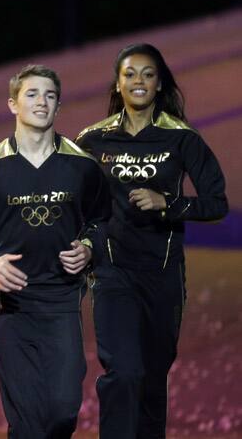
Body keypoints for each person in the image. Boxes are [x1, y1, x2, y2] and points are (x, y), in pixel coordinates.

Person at [0, 65, 109, 438]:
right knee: (28, 424)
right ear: (13, 104)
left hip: (62, 304)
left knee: (63, 414)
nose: (41, 102)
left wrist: (89, 247)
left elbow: (103, 221)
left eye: (49, 95)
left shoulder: (82, 166)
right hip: (11, 311)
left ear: (59, 106)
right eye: (31, 94)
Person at [76, 43, 228, 438]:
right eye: (130, 74)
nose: (138, 81)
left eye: (147, 74)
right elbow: (72, 199)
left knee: (152, 379)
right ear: (118, 83)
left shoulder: (182, 139)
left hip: (162, 276)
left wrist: (169, 203)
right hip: (112, 273)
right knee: (124, 372)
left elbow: (216, 202)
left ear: (159, 84)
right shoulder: (93, 140)